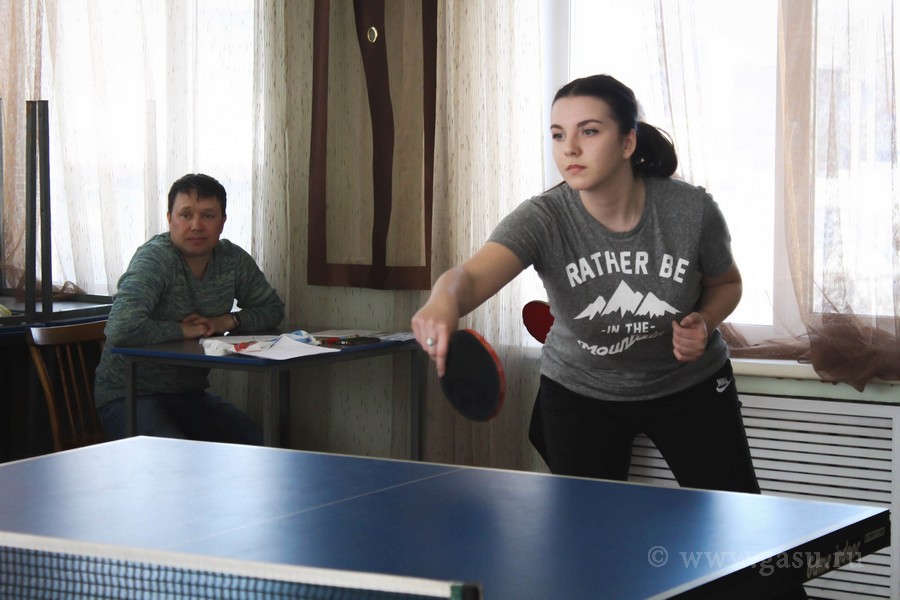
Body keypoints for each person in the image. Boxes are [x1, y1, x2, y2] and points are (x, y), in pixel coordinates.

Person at [94, 173, 285, 444]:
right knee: (177, 458)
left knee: (263, 446)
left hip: (191, 395)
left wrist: (226, 321)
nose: (196, 225)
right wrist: (184, 329)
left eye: (208, 215)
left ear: (223, 222)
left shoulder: (231, 259)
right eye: (186, 215)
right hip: (129, 395)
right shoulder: (155, 258)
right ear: (169, 218)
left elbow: (272, 308)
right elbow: (121, 329)